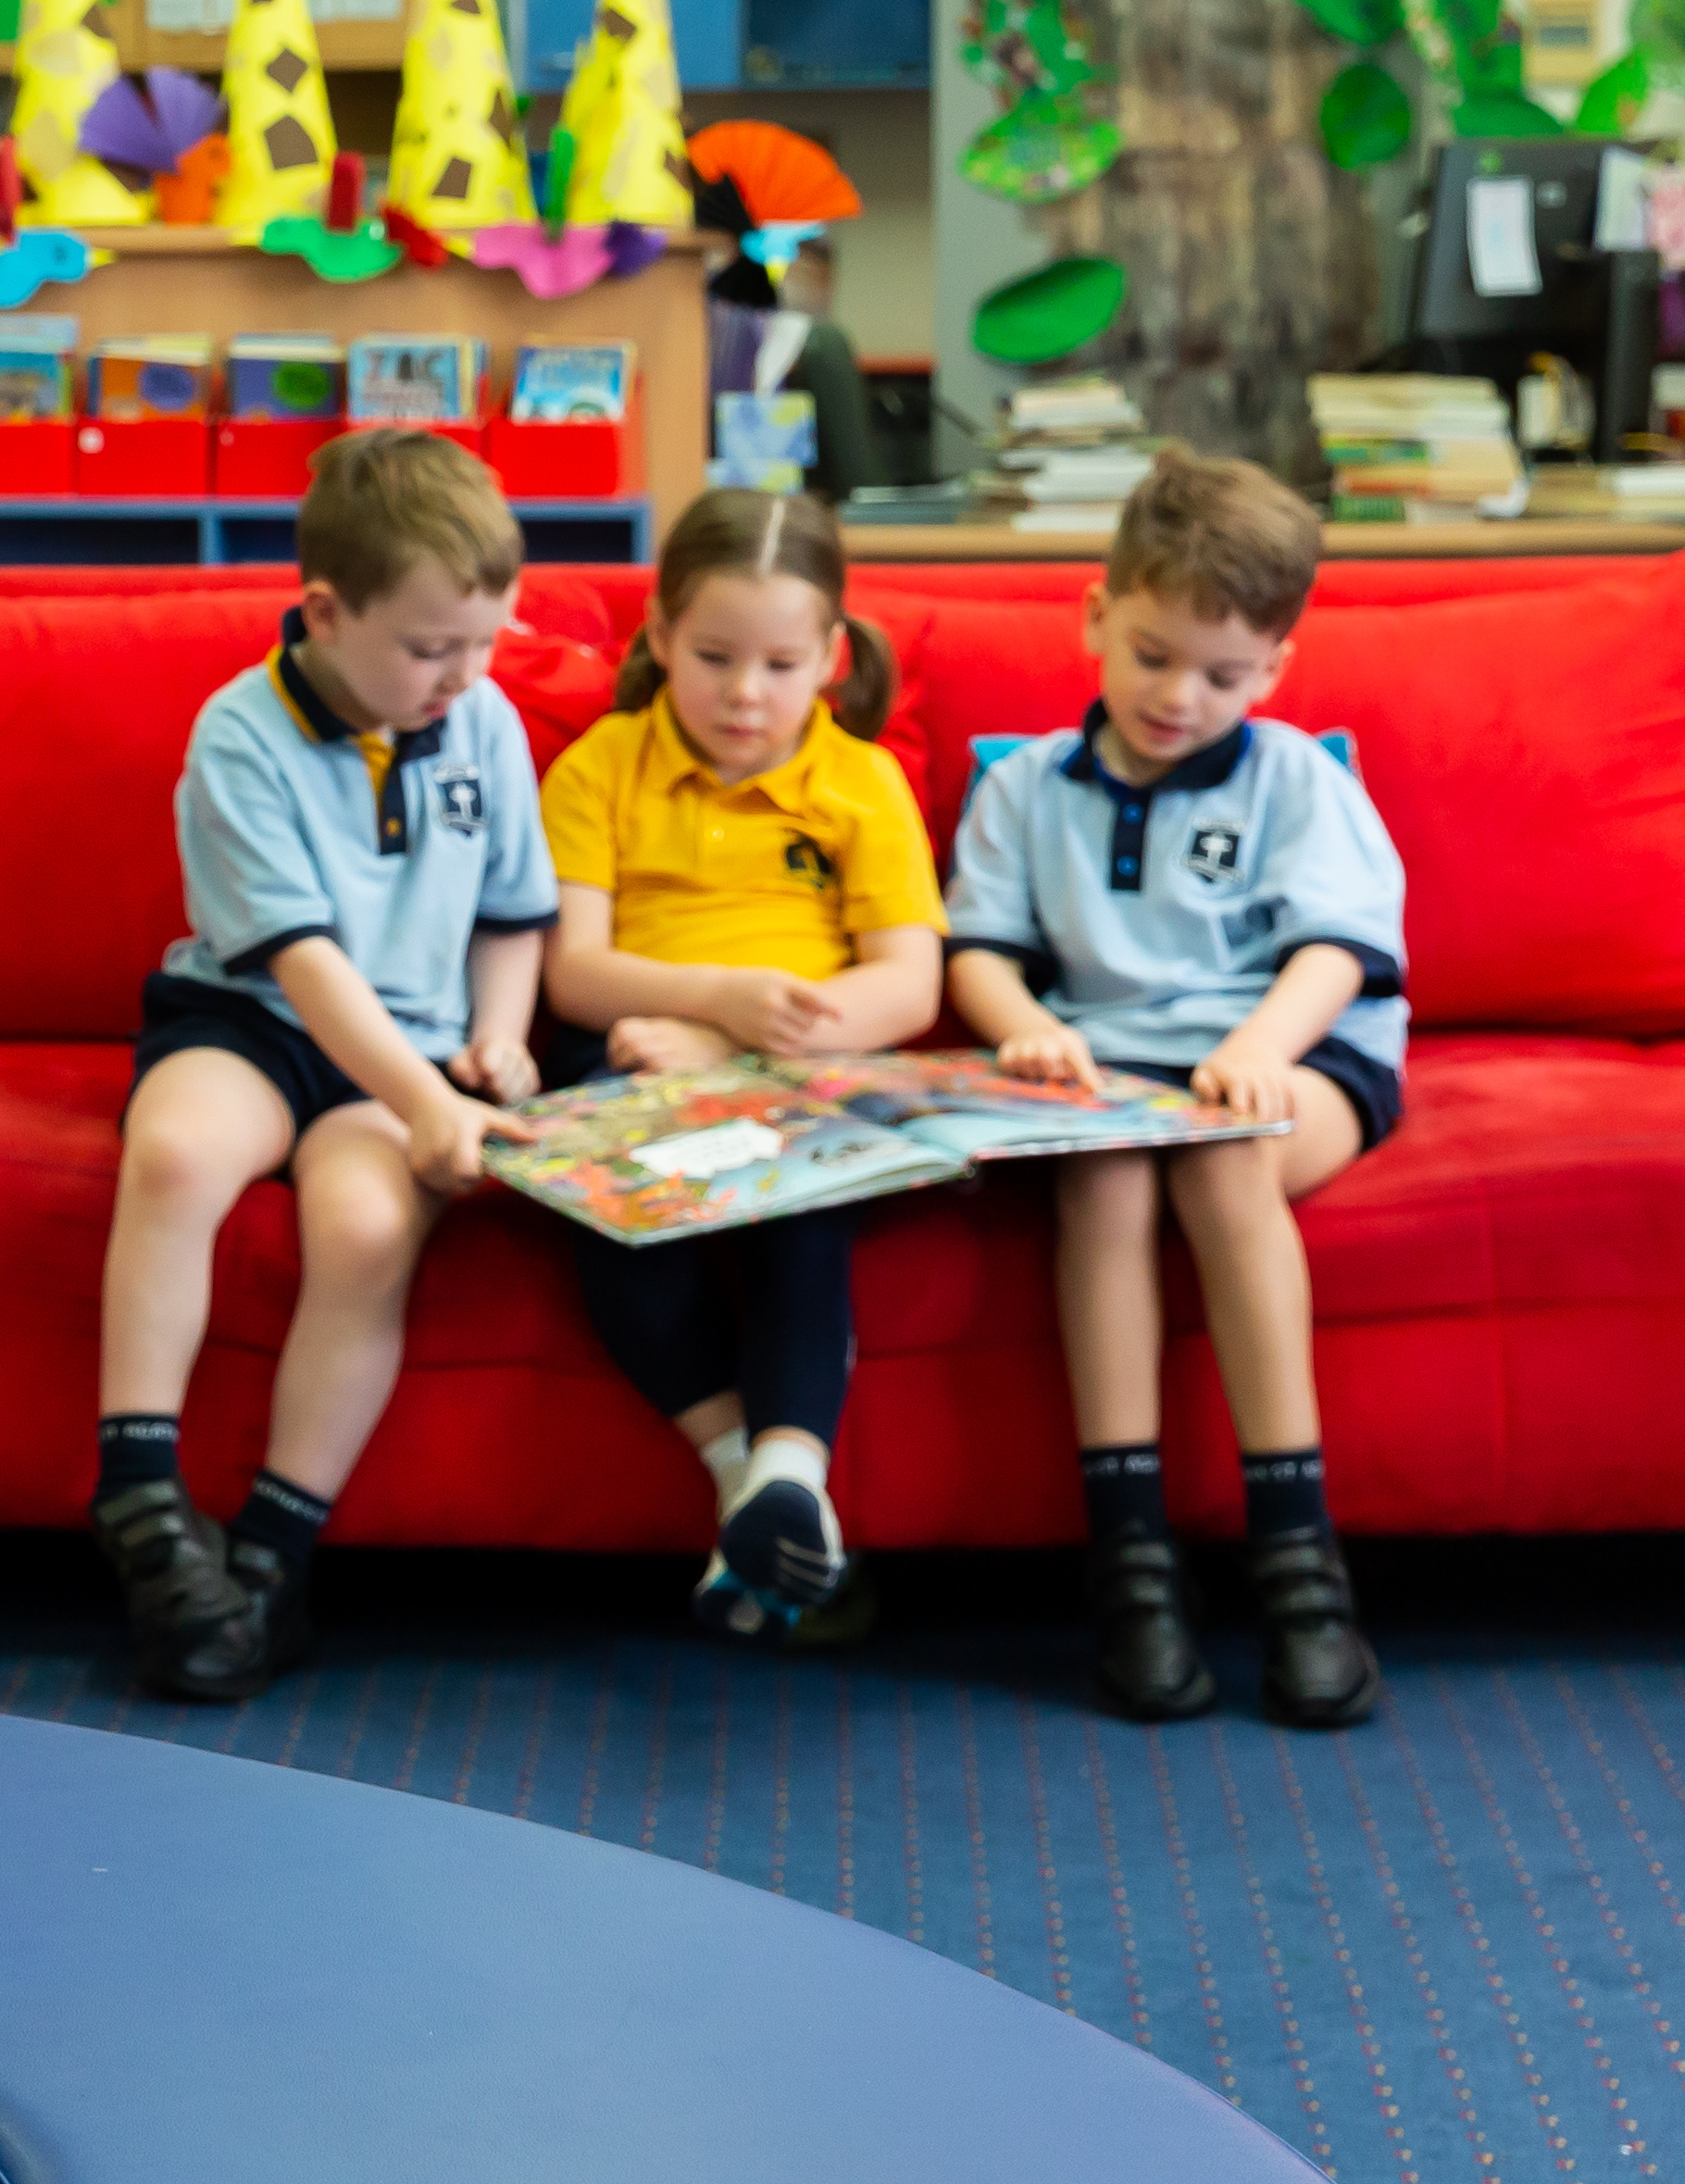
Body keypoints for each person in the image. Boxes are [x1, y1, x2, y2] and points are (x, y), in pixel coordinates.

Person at [945, 447, 1402, 1731]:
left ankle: (1298, 1569)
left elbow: (1334, 952)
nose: (1176, 696)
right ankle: (1130, 1567)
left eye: (1221, 674)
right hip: (1105, 1069)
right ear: (1094, 614)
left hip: (1294, 1055)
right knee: (1097, 1177)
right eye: (1149, 654)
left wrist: (1259, 1044)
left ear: (1271, 670)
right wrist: (1026, 1028)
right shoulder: (1023, 787)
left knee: (1218, 1152)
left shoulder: (1294, 780)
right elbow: (977, 953)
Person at [96, 430, 555, 1704]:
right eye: (425, 648)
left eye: (481, 645)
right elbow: (296, 964)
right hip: (249, 1016)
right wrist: (431, 1106)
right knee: (176, 1149)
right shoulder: (238, 733)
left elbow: (514, 910)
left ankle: (267, 1557)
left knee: (361, 1226)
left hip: (404, 1046)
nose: (457, 677)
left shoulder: (484, 723)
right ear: (322, 611)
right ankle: (136, 1490)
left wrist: (499, 1033)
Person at [534, 488, 945, 1639]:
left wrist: (739, 1038)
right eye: (713, 658)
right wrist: (706, 1004)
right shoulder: (602, 766)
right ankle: (759, 1487)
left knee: (805, 1223)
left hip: (803, 1063)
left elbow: (907, 986)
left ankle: (776, 1481)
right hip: (630, 1052)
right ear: (660, 638)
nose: (745, 694)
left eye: (779, 662)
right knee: (617, 1223)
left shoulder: (861, 782)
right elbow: (574, 969)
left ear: (832, 656)